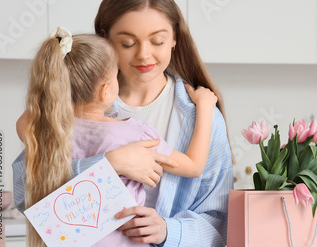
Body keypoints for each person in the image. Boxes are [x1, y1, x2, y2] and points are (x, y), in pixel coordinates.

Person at [12, 0, 234, 246]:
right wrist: (106, 164)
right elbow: (27, 199)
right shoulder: (63, 110)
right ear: (105, 39)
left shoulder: (202, 120)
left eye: (158, 41)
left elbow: (220, 222)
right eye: (127, 43)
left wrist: (166, 231)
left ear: (174, 38)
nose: (143, 54)